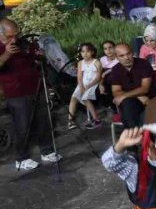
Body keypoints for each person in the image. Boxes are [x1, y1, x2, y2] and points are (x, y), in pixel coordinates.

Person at [0, 19, 60, 170]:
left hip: (36, 86)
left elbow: (35, 55)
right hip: (15, 91)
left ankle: (47, 151)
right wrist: (6, 54)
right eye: (10, 36)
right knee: (22, 126)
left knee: (44, 120)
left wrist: (39, 54)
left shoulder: (22, 42)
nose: (14, 39)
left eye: (16, 34)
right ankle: (21, 158)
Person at [109, 43, 154, 128]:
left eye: (128, 54)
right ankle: (135, 136)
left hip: (147, 100)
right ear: (116, 57)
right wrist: (137, 96)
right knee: (127, 104)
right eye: (122, 56)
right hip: (131, 102)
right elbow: (115, 91)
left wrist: (124, 95)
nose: (126, 58)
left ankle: (135, 137)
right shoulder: (116, 69)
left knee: (130, 109)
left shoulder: (143, 64)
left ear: (132, 53)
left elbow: (145, 88)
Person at [67, 42, 103, 130]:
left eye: (87, 51)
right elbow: (79, 77)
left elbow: (98, 77)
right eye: (82, 52)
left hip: (93, 84)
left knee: (85, 98)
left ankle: (96, 120)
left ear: (92, 52)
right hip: (82, 83)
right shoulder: (80, 63)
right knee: (74, 97)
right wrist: (82, 87)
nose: (85, 54)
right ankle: (70, 120)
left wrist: (88, 86)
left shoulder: (96, 62)